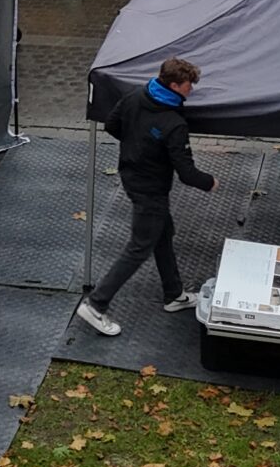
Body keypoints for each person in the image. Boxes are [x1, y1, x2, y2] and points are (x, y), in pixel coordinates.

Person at [78, 57, 217, 336]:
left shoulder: (136, 94)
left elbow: (112, 125)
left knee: (162, 234)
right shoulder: (174, 123)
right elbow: (186, 173)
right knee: (139, 247)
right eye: (189, 86)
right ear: (175, 85)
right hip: (151, 190)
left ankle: (173, 295)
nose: (192, 91)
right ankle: (95, 305)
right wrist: (209, 182)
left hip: (131, 176)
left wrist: (138, 145)